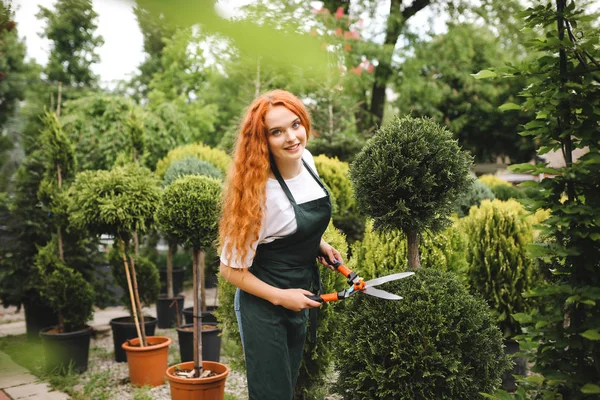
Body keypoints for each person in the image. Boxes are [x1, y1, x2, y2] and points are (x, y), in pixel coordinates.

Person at [218, 89, 343, 400]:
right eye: (277, 131)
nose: (291, 137)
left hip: (298, 294)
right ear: (262, 141)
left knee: (286, 390)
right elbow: (229, 270)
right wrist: (280, 297)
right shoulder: (257, 195)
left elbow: (289, 225)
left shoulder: (307, 161)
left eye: (295, 124)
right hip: (264, 304)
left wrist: (319, 244)